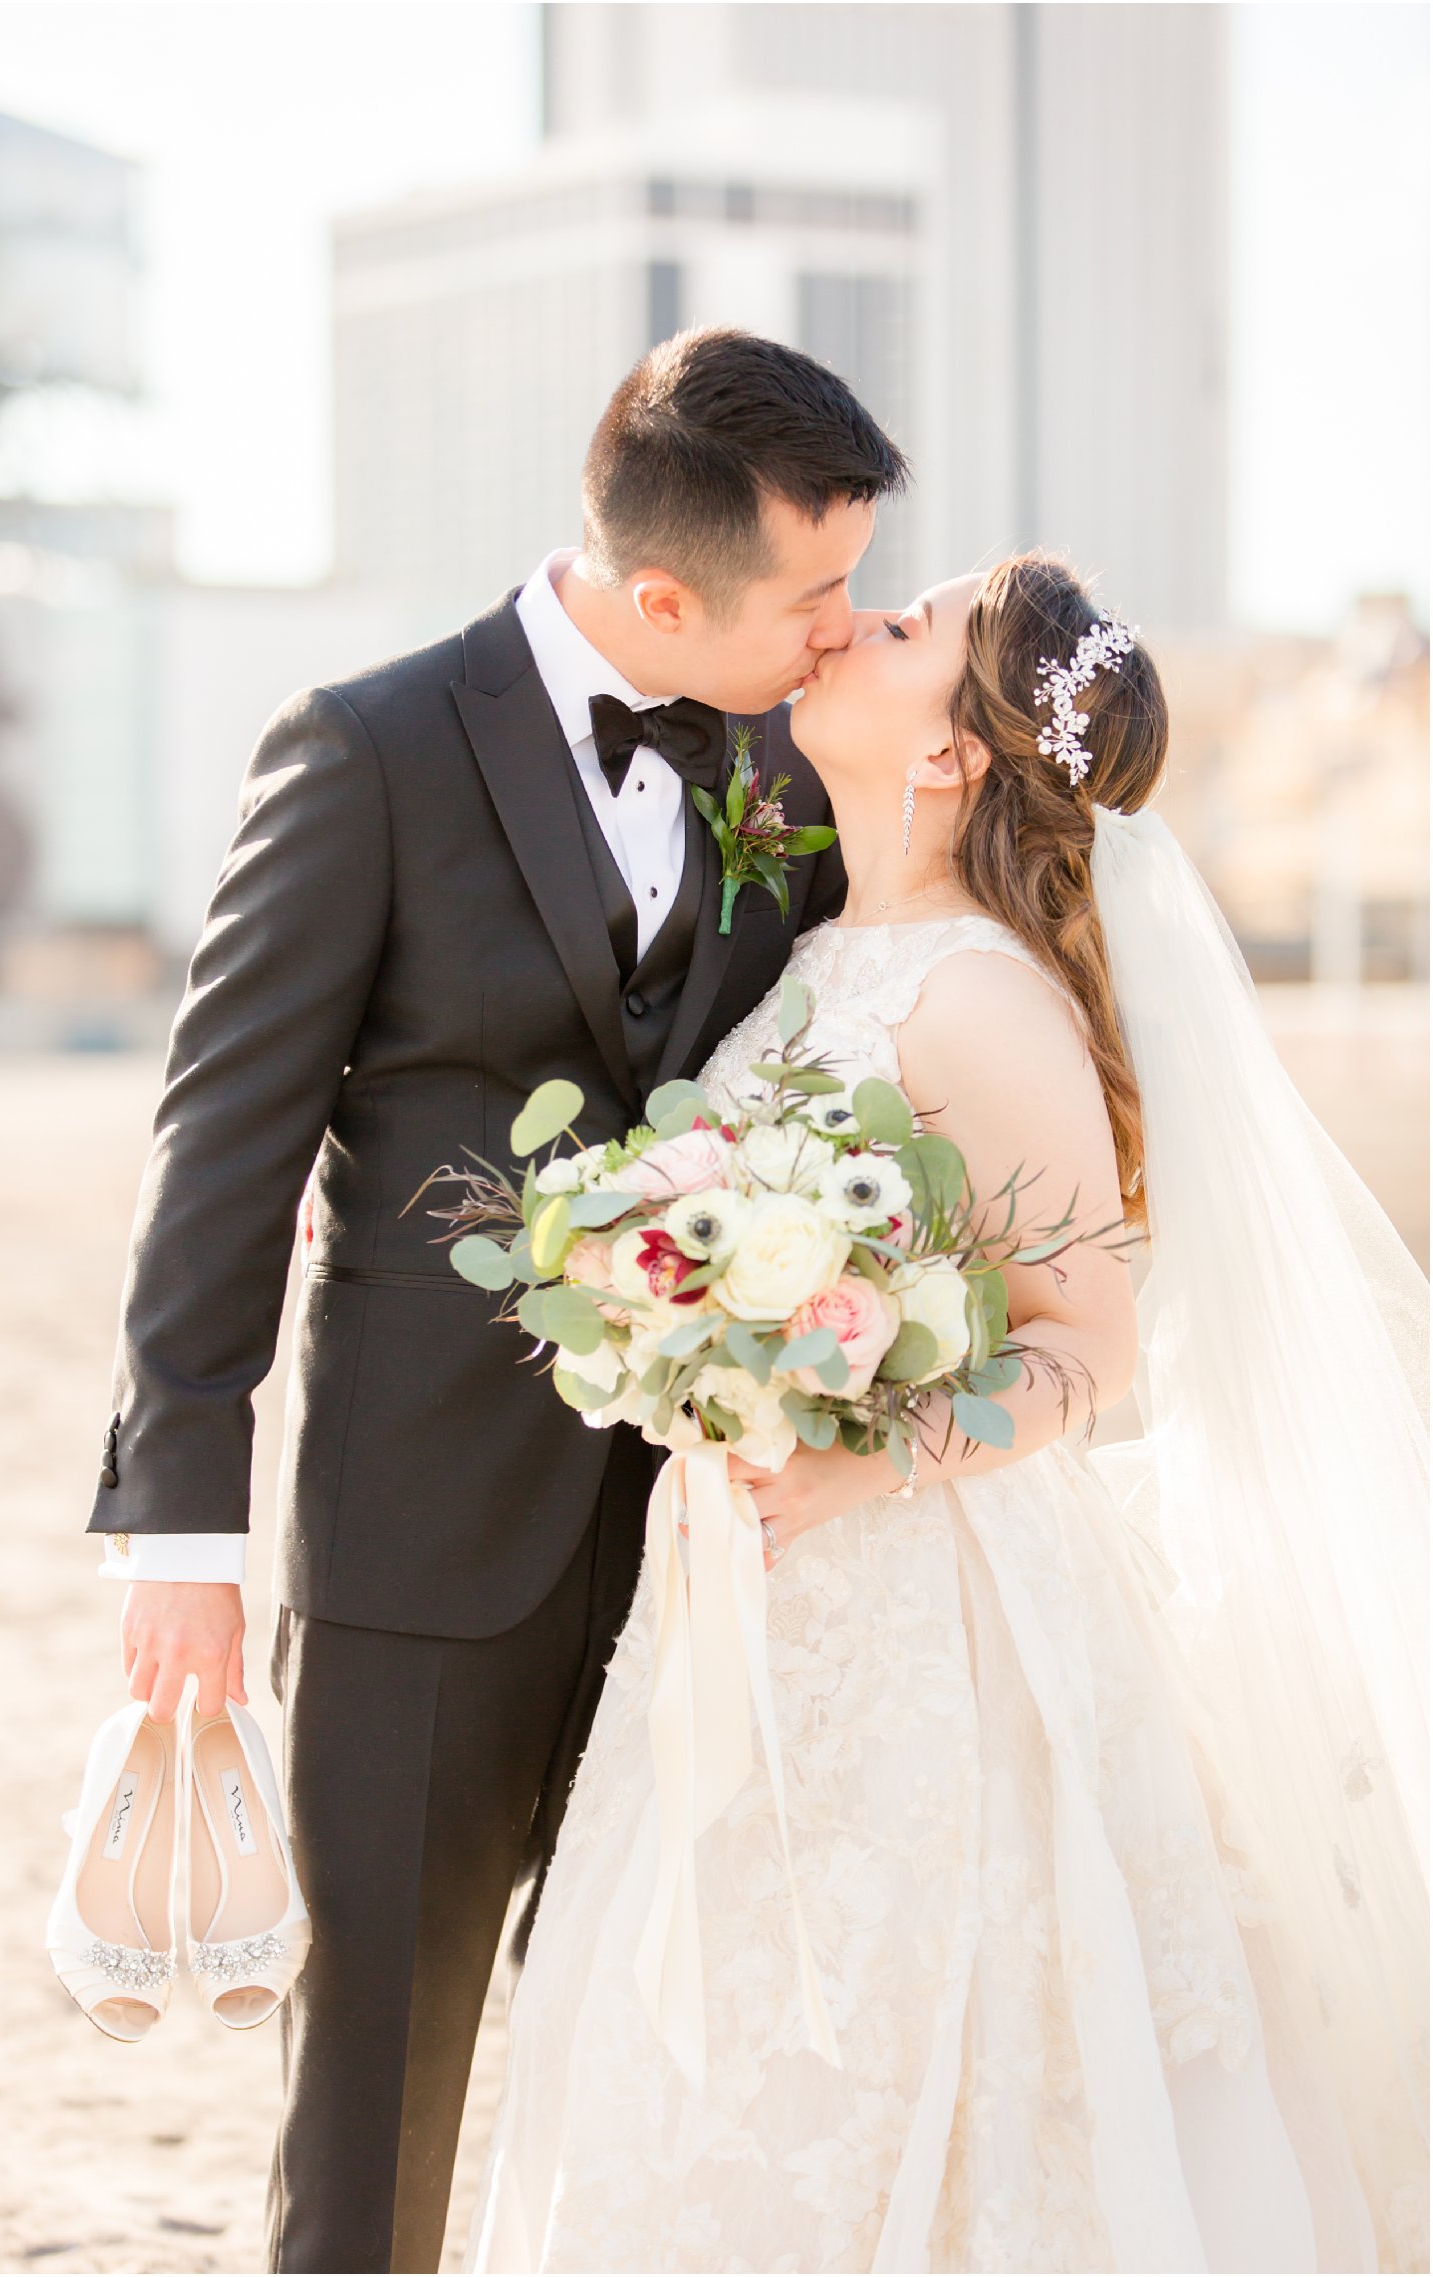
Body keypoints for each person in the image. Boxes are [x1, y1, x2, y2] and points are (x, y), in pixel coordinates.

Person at [463, 553, 1429, 2273]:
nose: (856, 619)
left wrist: (866, 1459)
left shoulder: (978, 993)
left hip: (937, 1614)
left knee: (928, 2031)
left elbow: (1088, 1341)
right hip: (744, 1598)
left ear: (956, 757)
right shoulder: (831, 940)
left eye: (908, 627)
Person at [81, 327, 910, 2272]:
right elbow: (222, 1148)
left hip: (714, 1523)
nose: (840, 629)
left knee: (664, 2050)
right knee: (380, 2063)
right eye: (816, 592)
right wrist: (176, 1526)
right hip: (421, 1531)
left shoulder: (795, 762)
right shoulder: (365, 746)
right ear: (656, 593)